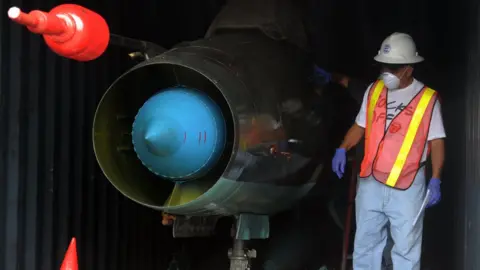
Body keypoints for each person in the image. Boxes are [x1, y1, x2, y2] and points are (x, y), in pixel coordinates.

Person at [330, 32, 446, 270]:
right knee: (365, 246)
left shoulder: (427, 99)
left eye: (394, 67)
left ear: (409, 68)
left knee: (405, 250)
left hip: (406, 186)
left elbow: (437, 142)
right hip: (371, 183)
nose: (388, 72)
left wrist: (435, 179)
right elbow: (360, 126)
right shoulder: (374, 90)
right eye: (385, 66)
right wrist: (342, 148)